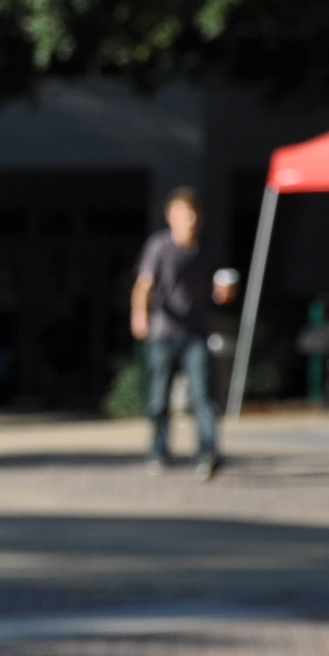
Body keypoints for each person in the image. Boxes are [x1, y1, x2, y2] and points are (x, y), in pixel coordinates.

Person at [131, 187, 221, 476]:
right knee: (159, 397)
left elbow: (215, 285)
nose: (190, 219)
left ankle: (207, 453)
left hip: (196, 331)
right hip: (163, 332)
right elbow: (144, 284)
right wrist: (139, 315)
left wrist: (223, 293)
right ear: (171, 216)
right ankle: (158, 450)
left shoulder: (205, 247)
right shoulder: (159, 246)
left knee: (203, 395)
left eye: (194, 213)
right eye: (184, 213)